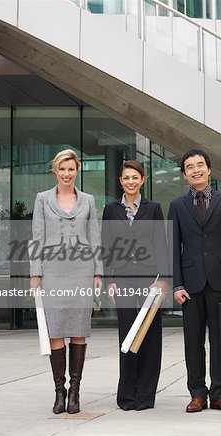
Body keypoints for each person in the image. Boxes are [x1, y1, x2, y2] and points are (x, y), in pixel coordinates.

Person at [168, 149, 221, 413]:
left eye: (200, 165)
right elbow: (173, 248)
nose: (196, 170)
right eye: (190, 167)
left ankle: (220, 394)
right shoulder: (177, 206)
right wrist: (177, 285)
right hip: (190, 285)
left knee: (220, 341)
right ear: (184, 174)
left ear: (209, 170)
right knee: (193, 341)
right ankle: (197, 394)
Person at [30, 149, 103, 414]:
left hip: (82, 271)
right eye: (62, 169)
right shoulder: (42, 199)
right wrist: (35, 274)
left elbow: (94, 238)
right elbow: (37, 237)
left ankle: (75, 392)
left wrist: (98, 273)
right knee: (56, 332)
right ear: (55, 171)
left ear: (77, 170)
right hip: (52, 272)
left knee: (79, 331)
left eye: (71, 169)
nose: (66, 174)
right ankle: (59, 392)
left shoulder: (88, 199)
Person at [102, 160, 168, 411]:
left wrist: (163, 280)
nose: (130, 182)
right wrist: (110, 281)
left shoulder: (153, 209)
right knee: (127, 336)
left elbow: (161, 244)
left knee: (151, 336)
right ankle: (127, 396)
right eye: (126, 178)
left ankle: (145, 397)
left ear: (143, 180)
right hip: (123, 280)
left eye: (135, 177)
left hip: (150, 280)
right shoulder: (110, 210)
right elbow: (106, 246)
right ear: (121, 181)